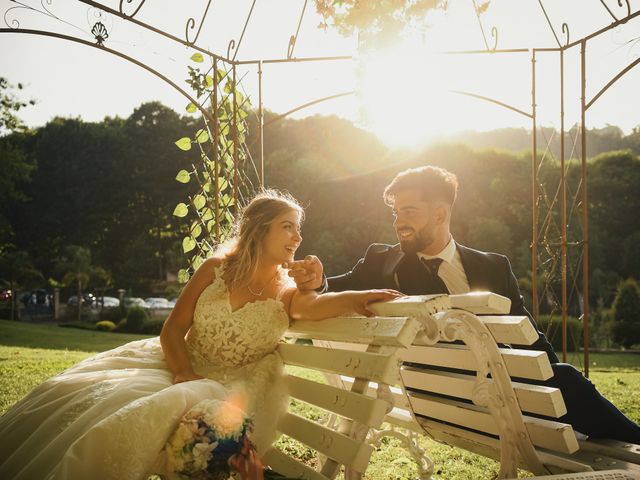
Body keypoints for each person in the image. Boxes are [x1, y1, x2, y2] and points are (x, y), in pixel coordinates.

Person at [0, 189, 400, 480]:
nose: (297, 238)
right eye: (287, 227)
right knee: (88, 399)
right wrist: (182, 371)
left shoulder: (288, 291)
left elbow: (315, 306)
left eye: (299, 230)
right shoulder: (214, 270)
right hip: (180, 366)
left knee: (156, 407)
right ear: (258, 230)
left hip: (230, 388)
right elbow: (173, 329)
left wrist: (360, 297)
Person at [289, 165, 640, 444]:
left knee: (558, 377)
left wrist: (545, 371)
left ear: (440, 215)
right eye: (396, 213)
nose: (398, 222)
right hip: (447, 396)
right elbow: (336, 288)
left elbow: (529, 335)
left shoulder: (493, 265)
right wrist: (318, 280)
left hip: (501, 390)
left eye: (409, 211)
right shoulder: (382, 262)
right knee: (567, 382)